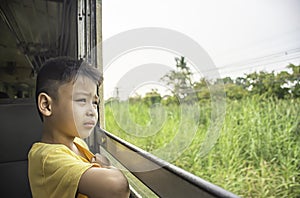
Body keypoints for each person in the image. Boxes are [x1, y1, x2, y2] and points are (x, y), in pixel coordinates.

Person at [28, 57, 130, 198]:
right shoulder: (47, 157)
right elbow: (116, 187)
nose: (92, 111)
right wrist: (106, 166)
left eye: (95, 102)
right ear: (46, 105)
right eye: (82, 100)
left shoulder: (77, 143)